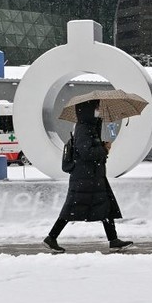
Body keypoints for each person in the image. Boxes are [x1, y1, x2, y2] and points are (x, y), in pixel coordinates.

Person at [43, 99, 133, 252]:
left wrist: (102, 145)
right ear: (88, 110)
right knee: (72, 208)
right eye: (96, 108)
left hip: (92, 176)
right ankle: (51, 237)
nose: (98, 110)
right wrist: (104, 150)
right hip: (85, 178)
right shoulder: (84, 128)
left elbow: (90, 148)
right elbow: (86, 152)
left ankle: (113, 240)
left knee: (105, 206)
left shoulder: (90, 126)